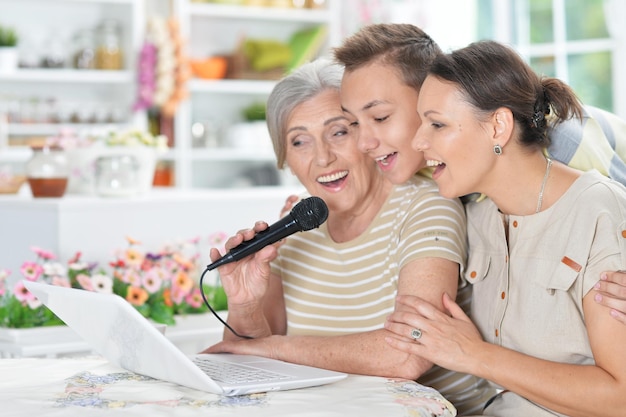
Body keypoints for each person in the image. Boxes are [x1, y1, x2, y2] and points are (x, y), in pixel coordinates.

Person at [204, 58, 495, 415]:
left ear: (368, 136)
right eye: (299, 142)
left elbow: (408, 353)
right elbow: (247, 359)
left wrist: (273, 347)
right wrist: (246, 303)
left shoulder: (425, 203)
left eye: (339, 131)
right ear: (286, 160)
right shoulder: (295, 225)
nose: (323, 157)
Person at [383, 39, 626, 416]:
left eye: (437, 124)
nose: (419, 141)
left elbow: (620, 397)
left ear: (498, 126)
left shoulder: (599, 212)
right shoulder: (476, 217)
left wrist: (476, 356)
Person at [334, 22, 626, 322]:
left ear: (431, 95)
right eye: (353, 123)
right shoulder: (420, 165)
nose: (363, 143)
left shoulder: (563, 144)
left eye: (380, 117)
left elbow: (615, 211)